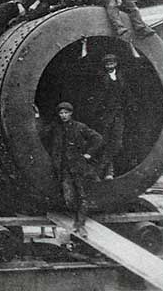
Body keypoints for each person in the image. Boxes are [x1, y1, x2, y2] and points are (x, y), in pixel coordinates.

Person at [38, 102, 102, 233]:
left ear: (71, 113)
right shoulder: (55, 127)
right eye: (61, 113)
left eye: (66, 113)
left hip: (78, 166)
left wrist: (89, 154)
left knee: (81, 195)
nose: (63, 116)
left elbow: (97, 138)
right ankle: (78, 217)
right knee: (69, 197)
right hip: (63, 168)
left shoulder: (79, 127)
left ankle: (80, 224)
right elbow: (41, 134)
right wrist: (37, 117)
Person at [92, 54, 129, 180]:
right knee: (104, 143)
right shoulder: (101, 77)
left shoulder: (121, 76)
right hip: (105, 115)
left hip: (118, 114)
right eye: (107, 64)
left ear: (116, 64)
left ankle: (100, 170)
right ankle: (109, 172)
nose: (109, 65)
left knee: (117, 144)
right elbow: (86, 64)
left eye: (111, 63)